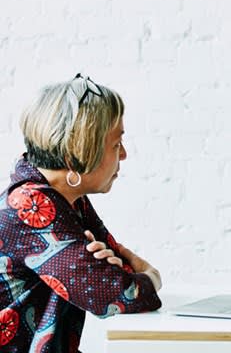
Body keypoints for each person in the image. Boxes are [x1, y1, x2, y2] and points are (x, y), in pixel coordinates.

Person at [0, 74, 162, 352]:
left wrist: (120, 275)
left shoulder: (68, 199)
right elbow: (119, 295)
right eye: (115, 144)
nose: (123, 155)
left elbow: (116, 271)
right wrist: (152, 275)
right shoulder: (31, 205)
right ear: (78, 152)